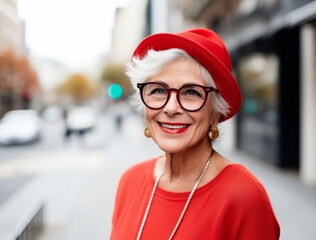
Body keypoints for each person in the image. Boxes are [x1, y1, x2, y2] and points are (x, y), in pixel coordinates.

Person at [110, 28, 280, 240]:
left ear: (215, 112)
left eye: (191, 92)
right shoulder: (130, 181)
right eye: (158, 90)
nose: (171, 108)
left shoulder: (244, 195)